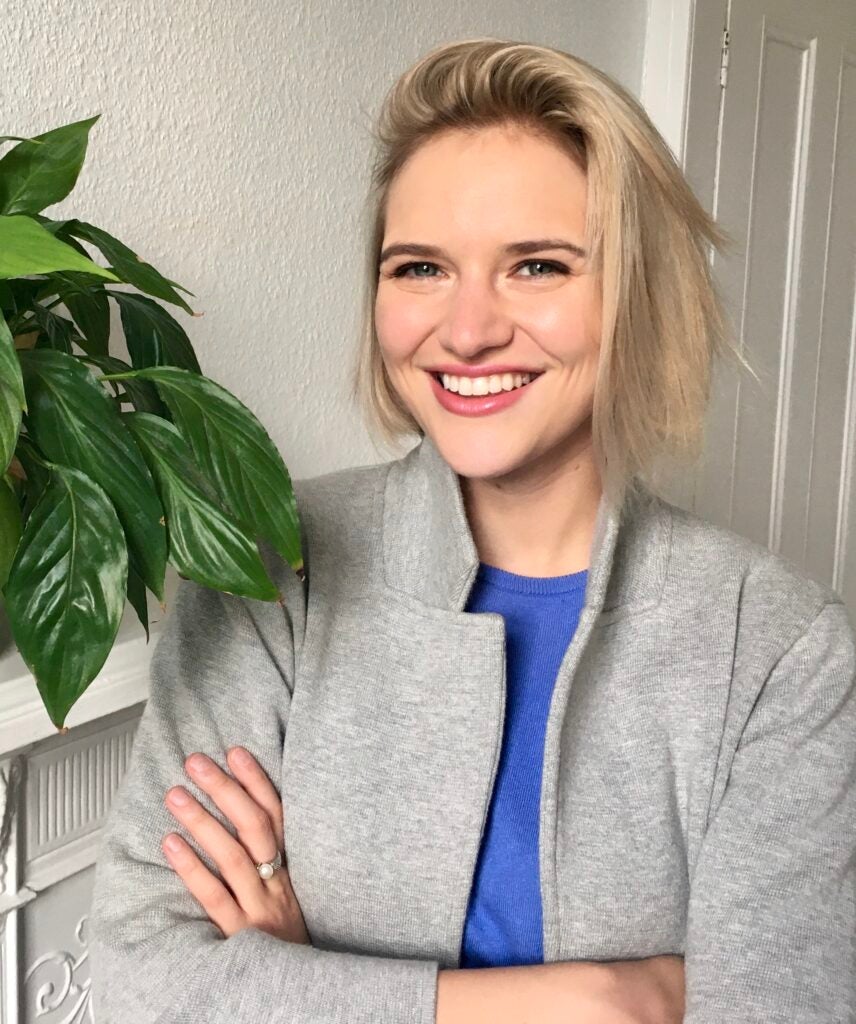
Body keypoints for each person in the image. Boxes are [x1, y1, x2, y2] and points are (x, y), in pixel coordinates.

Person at [88, 38, 856, 1024]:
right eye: (420, 268)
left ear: (634, 293)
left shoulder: (779, 649)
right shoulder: (270, 569)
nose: (465, 329)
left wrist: (301, 980)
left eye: (536, 265)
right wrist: (607, 999)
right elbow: (145, 987)